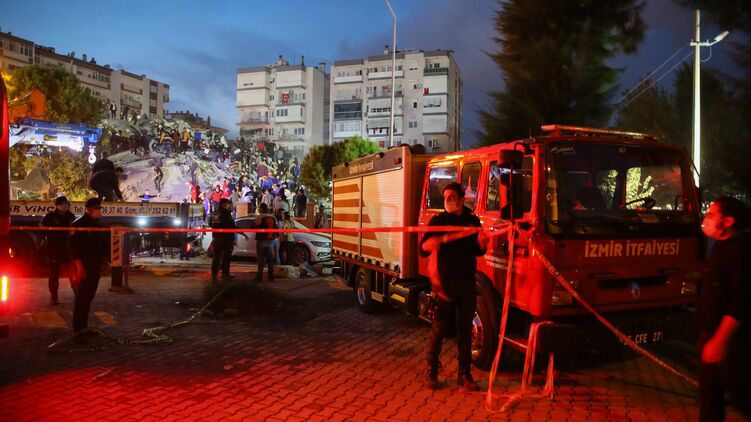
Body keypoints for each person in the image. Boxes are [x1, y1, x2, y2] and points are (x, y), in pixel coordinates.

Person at [419, 182, 488, 391]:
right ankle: (431, 371)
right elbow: (423, 249)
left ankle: (464, 374)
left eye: (451, 197)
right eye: (445, 197)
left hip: (467, 283)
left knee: (465, 330)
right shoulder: (438, 221)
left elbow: (477, 250)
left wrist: (483, 244)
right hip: (444, 284)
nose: (447, 201)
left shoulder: (472, 221)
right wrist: (432, 243)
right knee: (439, 329)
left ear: (461, 199)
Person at [698, 196, 751, 421]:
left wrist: (720, 340)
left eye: (712, 215)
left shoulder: (740, 253)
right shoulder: (719, 246)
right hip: (710, 336)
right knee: (710, 399)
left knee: (742, 398)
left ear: (728, 222)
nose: (706, 219)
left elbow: (740, 302)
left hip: (730, 344)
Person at [68, 198, 110, 335]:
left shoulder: (98, 225)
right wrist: (80, 267)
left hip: (94, 266)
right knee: (82, 297)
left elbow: (102, 246)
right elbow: (73, 249)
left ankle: (84, 326)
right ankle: (78, 328)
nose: (99, 210)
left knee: (89, 297)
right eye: (97, 208)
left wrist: (105, 262)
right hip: (83, 267)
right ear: (89, 209)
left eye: (100, 208)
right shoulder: (77, 225)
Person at [40, 196, 76, 305]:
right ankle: (54, 297)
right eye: (61, 204)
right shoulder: (50, 217)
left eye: (66, 204)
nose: (64, 206)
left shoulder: (71, 217)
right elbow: (43, 232)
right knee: (54, 274)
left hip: (68, 250)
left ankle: (77, 294)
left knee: (72, 273)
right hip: (54, 249)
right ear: (56, 206)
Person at [209, 198, 247, 283]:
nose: (230, 206)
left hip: (216, 238)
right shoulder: (226, 214)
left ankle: (214, 274)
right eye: (229, 204)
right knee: (226, 258)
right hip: (226, 239)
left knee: (216, 257)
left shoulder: (214, 213)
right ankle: (225, 274)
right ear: (224, 204)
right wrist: (242, 233)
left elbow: (210, 224)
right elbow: (232, 227)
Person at [253, 203, 277, 282]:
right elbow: (276, 228)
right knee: (270, 259)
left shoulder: (259, 217)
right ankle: (271, 276)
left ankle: (260, 276)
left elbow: (253, 226)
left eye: (259, 208)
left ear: (261, 209)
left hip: (261, 240)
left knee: (261, 259)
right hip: (271, 241)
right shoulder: (273, 217)